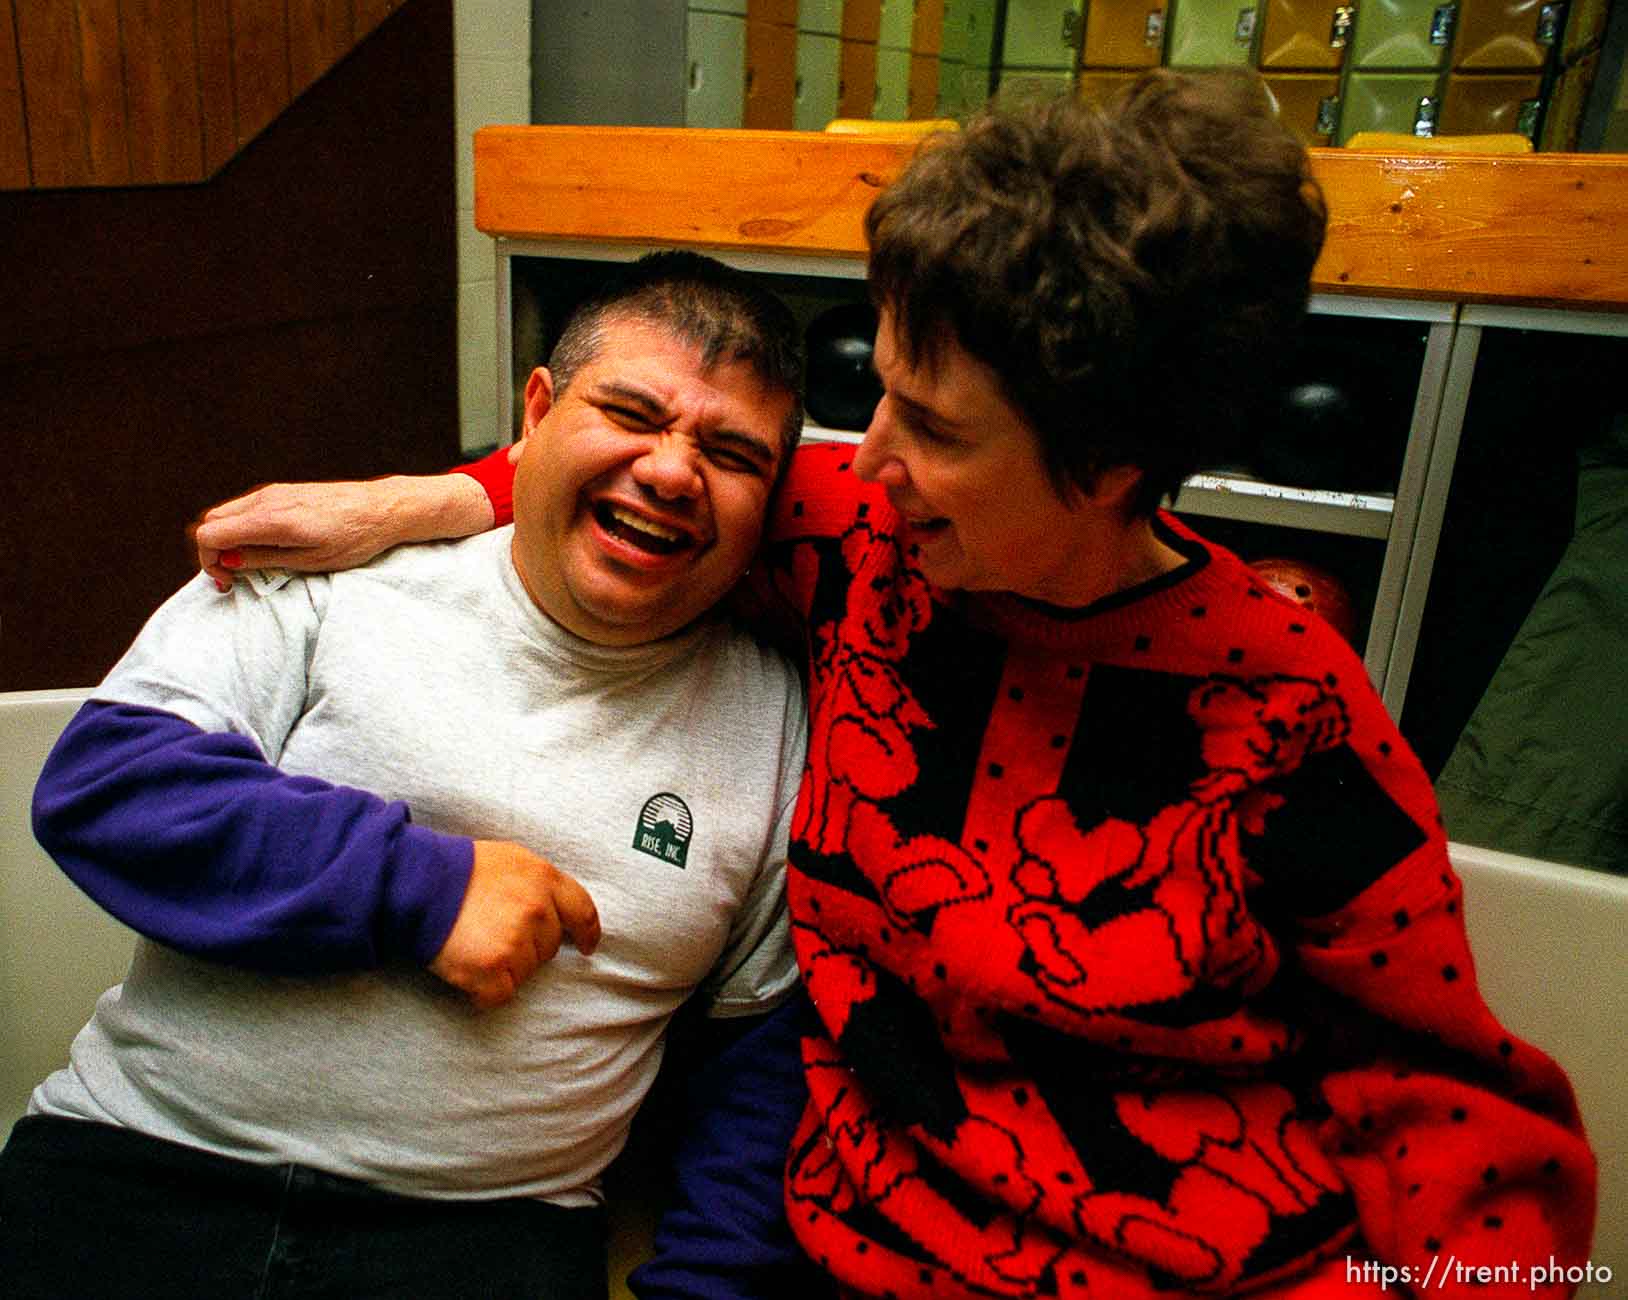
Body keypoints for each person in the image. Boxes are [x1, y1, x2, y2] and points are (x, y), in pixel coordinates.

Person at [184, 74, 1596, 1298]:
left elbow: (1459, 1120)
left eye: (928, 427)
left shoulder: (1286, 714)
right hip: (855, 1258)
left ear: (1107, 469)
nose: (866, 465)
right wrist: (414, 498)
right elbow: (634, 469)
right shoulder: (873, 550)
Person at [0, 252, 815, 1299]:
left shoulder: (780, 716)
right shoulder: (335, 574)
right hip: (141, 1164)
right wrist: (422, 890)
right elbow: (111, 787)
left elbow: (758, 1070)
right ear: (536, 410)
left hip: (488, 1239)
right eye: (631, 412)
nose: (669, 470)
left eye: (732, 453)